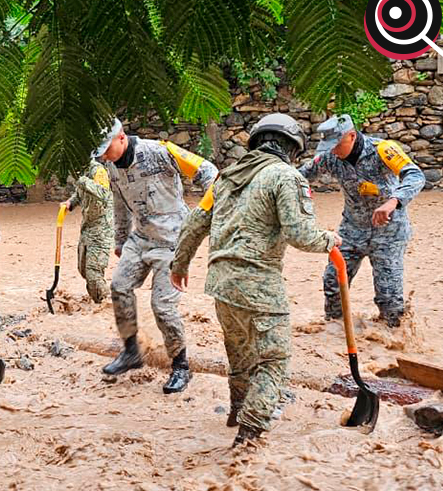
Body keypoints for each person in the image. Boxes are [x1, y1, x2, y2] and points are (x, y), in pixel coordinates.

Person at [171, 114, 341, 446]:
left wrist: (179, 264)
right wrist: (329, 240)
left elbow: (195, 223)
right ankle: (250, 433)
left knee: (240, 354)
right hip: (260, 285)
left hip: (221, 284)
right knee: (274, 361)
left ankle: (237, 411)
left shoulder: (224, 179)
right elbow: (300, 234)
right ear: (291, 148)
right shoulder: (285, 176)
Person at [92, 117, 218, 393]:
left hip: (172, 240)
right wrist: (121, 239)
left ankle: (181, 366)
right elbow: (119, 204)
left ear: (121, 137)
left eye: (105, 149)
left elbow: (208, 170)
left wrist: (206, 214)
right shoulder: (112, 167)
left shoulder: (160, 151)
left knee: (162, 306)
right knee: (119, 287)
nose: (103, 155)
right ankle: (131, 352)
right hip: (140, 238)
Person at [298, 114, 426, 327]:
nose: (333, 150)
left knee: (389, 297)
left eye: (336, 144)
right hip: (352, 230)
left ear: (351, 136)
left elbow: (415, 176)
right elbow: (299, 176)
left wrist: (393, 201)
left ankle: (394, 339)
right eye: (329, 146)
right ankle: (335, 330)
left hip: (389, 232)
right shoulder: (330, 157)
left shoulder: (383, 149)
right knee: (333, 282)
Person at [61, 161, 114, 303]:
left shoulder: (98, 171)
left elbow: (102, 193)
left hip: (101, 230)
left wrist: (82, 180)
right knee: (83, 268)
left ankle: (108, 303)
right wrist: (70, 203)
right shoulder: (81, 170)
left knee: (93, 272)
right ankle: (98, 301)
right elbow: (79, 194)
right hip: (87, 229)